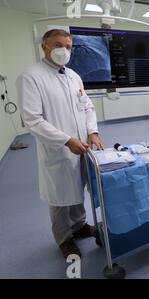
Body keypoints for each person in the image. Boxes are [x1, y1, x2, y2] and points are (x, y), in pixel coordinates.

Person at [17, 29, 104, 258]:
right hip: (57, 149)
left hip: (81, 146)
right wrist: (66, 140)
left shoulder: (74, 75)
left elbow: (87, 107)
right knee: (59, 198)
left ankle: (79, 225)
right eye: (58, 45)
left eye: (68, 46)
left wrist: (92, 132)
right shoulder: (31, 77)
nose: (64, 51)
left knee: (77, 189)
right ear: (44, 47)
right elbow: (32, 120)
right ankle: (64, 239)